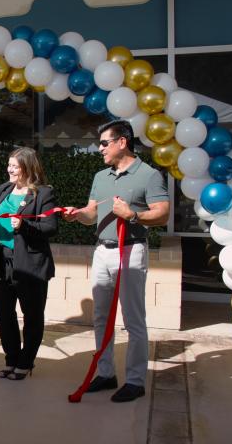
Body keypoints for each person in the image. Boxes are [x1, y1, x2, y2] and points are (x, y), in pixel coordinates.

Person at [63, 120, 169, 403]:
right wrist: (78, 214)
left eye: (104, 143)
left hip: (131, 251)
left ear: (122, 142)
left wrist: (133, 215)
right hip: (102, 251)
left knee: (133, 319)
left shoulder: (148, 175)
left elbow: (162, 214)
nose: (99, 148)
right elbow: (92, 214)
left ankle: (135, 381)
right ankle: (106, 373)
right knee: (101, 316)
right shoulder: (101, 176)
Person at [0, 147, 57, 380]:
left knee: (32, 316)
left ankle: (26, 362)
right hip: (1, 261)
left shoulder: (43, 193)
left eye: (14, 166)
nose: (9, 169)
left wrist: (23, 226)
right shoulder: (4, 189)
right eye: (9, 165)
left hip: (30, 265)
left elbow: (50, 228)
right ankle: (11, 359)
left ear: (27, 167)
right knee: (4, 314)